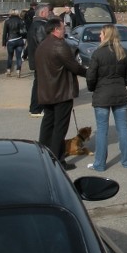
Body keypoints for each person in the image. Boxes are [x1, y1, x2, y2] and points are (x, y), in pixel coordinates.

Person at [36, 17, 86, 170]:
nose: (65, 29)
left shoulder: (42, 45)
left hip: (46, 92)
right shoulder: (60, 45)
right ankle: (57, 160)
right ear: (56, 29)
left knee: (47, 124)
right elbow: (74, 67)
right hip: (61, 92)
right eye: (63, 27)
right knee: (60, 127)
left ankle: (42, 155)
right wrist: (90, 74)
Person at [86, 24, 127, 171]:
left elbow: (90, 76)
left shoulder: (98, 53)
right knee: (123, 127)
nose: (99, 36)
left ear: (106, 35)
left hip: (102, 95)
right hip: (119, 93)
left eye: (101, 34)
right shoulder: (124, 52)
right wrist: (121, 84)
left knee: (102, 130)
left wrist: (93, 88)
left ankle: (100, 164)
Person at [26, 3, 52, 117]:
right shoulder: (41, 26)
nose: (49, 13)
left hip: (37, 60)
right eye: (47, 12)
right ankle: (36, 109)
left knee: (39, 84)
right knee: (40, 85)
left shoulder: (34, 24)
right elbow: (44, 45)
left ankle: (36, 108)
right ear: (42, 13)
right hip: (42, 61)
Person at [2, 9, 26, 78]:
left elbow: (5, 33)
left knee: (10, 56)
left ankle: (8, 71)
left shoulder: (7, 21)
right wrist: (24, 39)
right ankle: (18, 71)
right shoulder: (21, 21)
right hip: (19, 40)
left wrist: (3, 43)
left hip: (11, 40)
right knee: (19, 57)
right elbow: (24, 31)